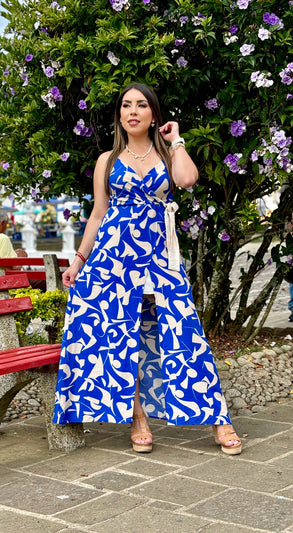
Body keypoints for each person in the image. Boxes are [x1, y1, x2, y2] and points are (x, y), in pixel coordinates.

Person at [52, 83, 242, 455]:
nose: (133, 111)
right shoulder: (107, 160)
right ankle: (137, 418)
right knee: (118, 334)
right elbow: (97, 214)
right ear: (120, 114)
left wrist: (177, 141)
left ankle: (220, 420)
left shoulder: (169, 156)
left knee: (185, 330)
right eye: (126, 105)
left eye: (141, 105)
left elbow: (187, 181)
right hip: (112, 258)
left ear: (154, 114)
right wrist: (78, 261)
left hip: (160, 257)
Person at [0, 207, 46, 291]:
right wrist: (21, 258)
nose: (6, 228)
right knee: (45, 278)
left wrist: (14, 255)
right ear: (1, 222)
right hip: (5, 283)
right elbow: (14, 269)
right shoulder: (2, 238)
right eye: (6, 224)